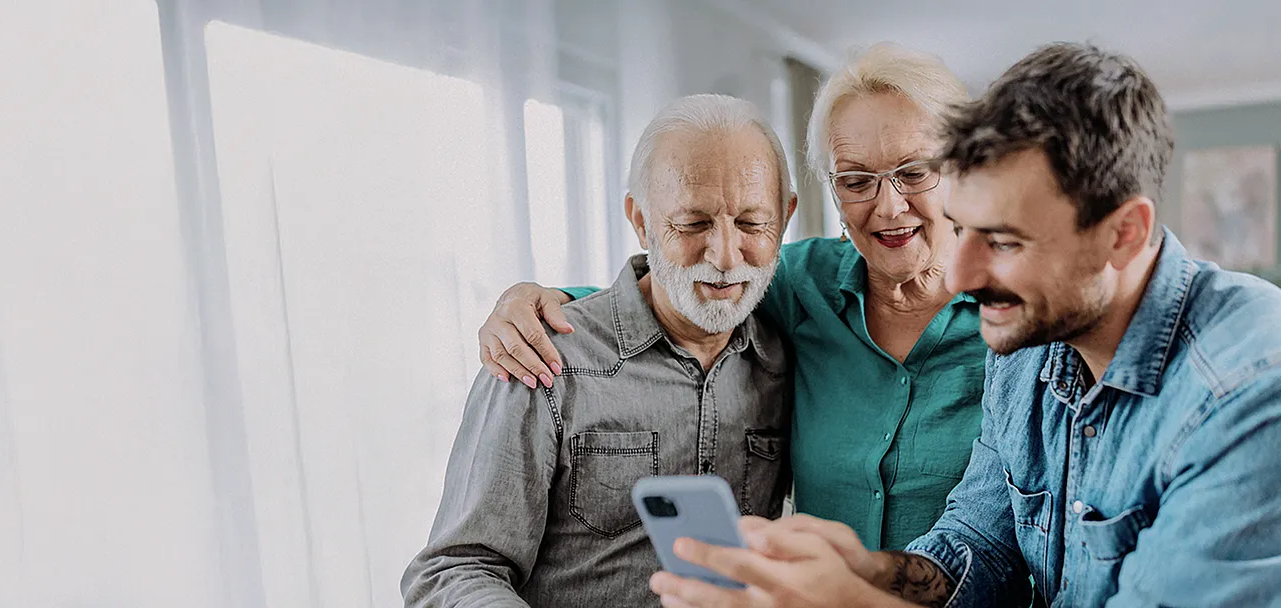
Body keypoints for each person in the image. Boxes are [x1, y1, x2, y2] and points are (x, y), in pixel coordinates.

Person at [649, 42, 1281, 608]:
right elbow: (979, 542)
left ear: (1123, 235)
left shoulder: (1249, 393)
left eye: (1002, 240)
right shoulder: (1029, 347)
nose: (962, 277)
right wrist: (863, 568)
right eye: (966, 228)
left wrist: (853, 601)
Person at [477, 43, 984, 551]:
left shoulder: (1016, 320)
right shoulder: (805, 284)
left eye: (915, 172)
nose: (889, 207)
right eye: (856, 180)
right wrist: (546, 302)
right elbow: (689, 286)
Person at [401, 94, 797, 607]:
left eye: (751, 223)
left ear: (784, 218)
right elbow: (453, 570)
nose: (724, 256)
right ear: (641, 220)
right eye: (693, 224)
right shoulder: (540, 355)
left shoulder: (784, 363)